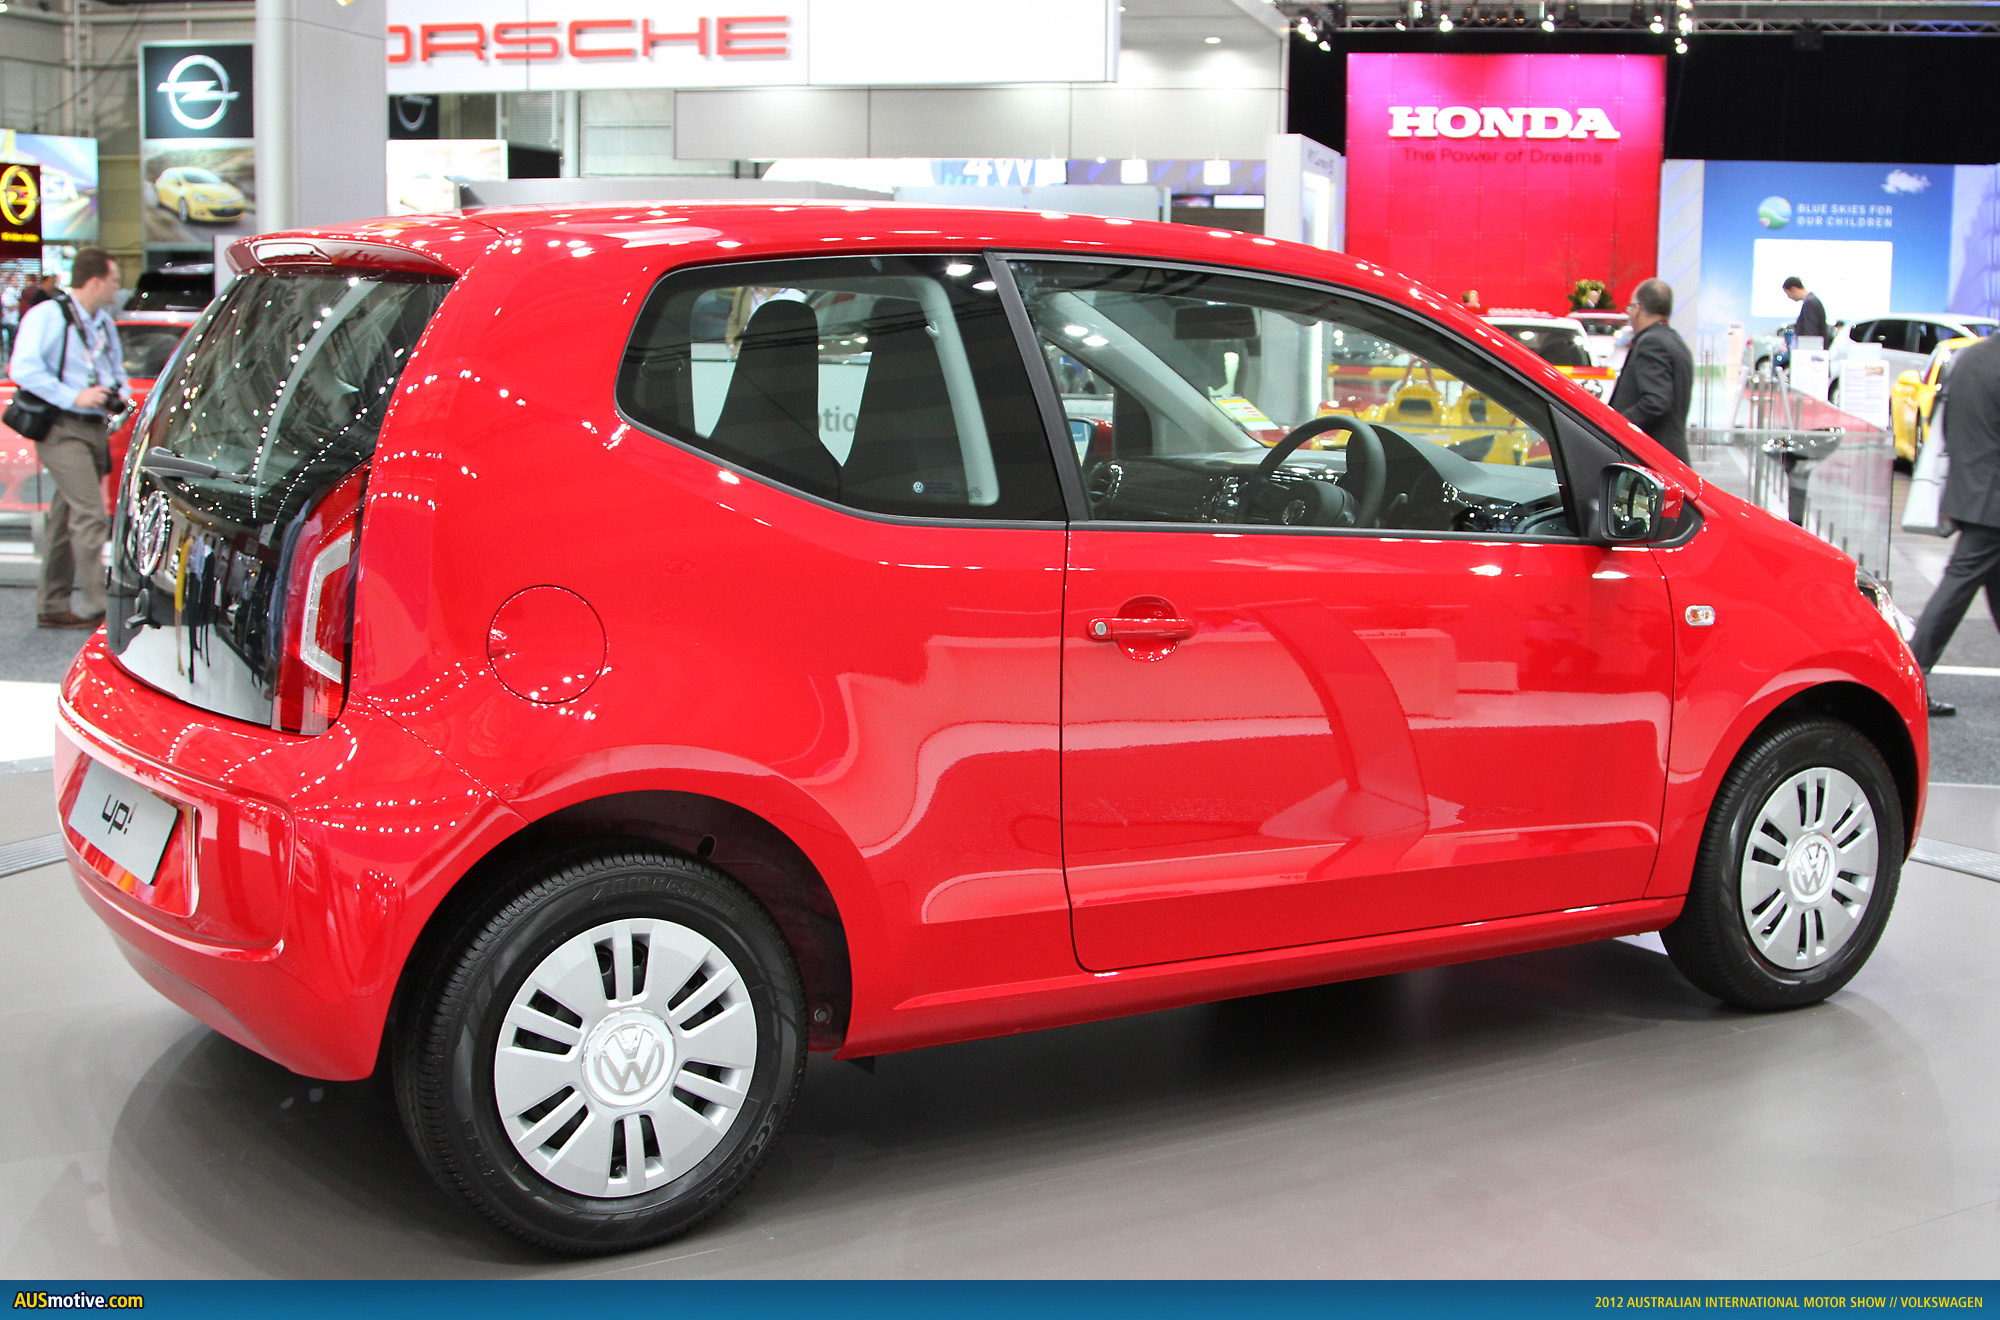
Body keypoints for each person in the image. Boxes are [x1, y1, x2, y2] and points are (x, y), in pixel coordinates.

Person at [5, 247, 126, 629]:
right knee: (90, 514)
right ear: (94, 281)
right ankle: (97, 606)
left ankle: (53, 605)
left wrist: (116, 392)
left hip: (93, 426)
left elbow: (114, 369)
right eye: (113, 280)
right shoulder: (48, 315)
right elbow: (22, 368)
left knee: (66, 516)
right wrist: (72, 396)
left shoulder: (102, 323)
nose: (117, 287)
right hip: (60, 427)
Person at [1907, 331, 2000, 718]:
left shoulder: (1969, 358)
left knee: (1978, 583)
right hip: (1992, 501)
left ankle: (1909, 677)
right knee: (1956, 588)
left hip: (1971, 489)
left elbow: (1941, 421)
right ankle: (1908, 677)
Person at [1607, 277, 1694, 462]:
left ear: (1638, 309)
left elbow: (1655, 401)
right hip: (1670, 456)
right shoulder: (1675, 341)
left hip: (1653, 459)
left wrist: (1615, 426)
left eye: (1630, 308)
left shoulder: (1651, 343)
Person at [1783, 276, 1829, 347]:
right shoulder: (1811, 300)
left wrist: (1807, 348)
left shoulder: (1810, 303)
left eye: (1788, 294)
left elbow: (1811, 330)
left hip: (1810, 347)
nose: (1789, 297)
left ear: (1794, 289)